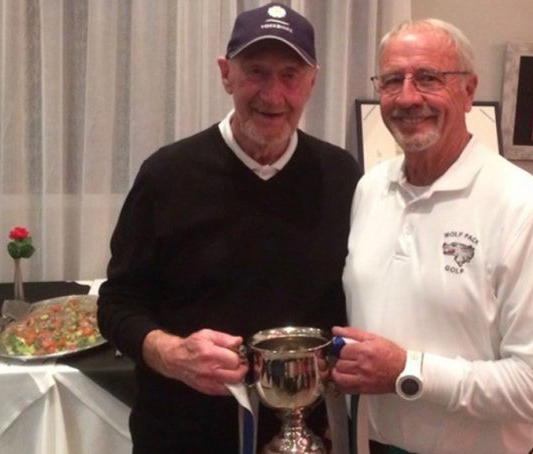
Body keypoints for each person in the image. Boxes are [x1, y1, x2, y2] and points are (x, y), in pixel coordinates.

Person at [97, 3, 361, 452]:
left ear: (312, 81)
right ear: (226, 74)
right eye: (256, 71)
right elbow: (117, 304)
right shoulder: (166, 175)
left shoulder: (341, 176)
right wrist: (171, 354)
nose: (273, 95)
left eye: (290, 75)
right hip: (181, 433)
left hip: (307, 436)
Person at [332, 19, 533, 454]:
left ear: (468, 91)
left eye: (429, 78)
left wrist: (408, 371)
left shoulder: (524, 207)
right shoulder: (370, 189)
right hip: (368, 444)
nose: (408, 97)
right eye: (392, 80)